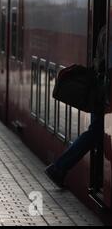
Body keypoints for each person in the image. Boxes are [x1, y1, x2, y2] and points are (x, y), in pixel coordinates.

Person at [45, 25, 110, 188]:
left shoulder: (105, 29)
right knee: (95, 131)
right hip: (104, 93)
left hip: (100, 90)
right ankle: (59, 168)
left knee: (94, 131)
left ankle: (59, 168)